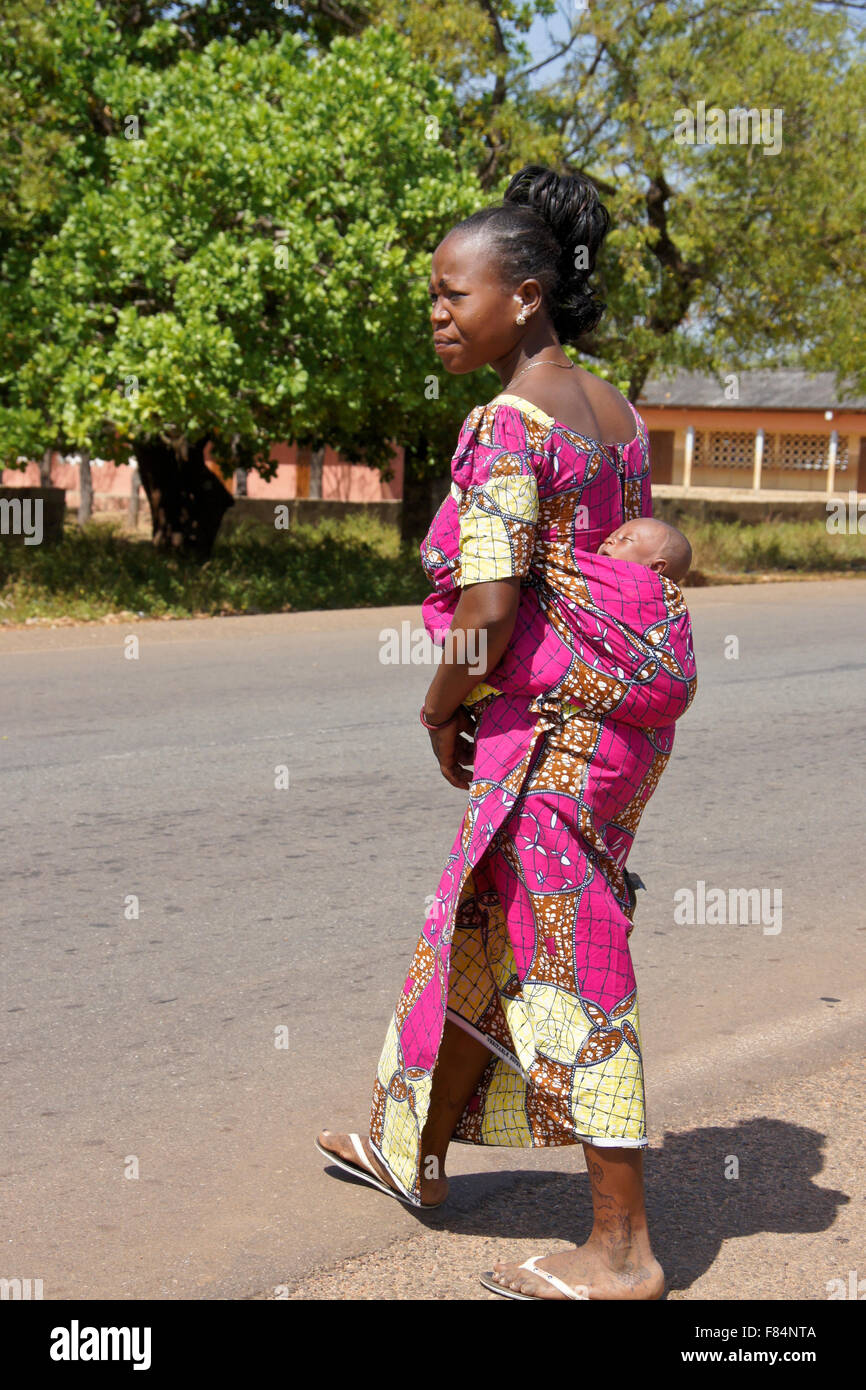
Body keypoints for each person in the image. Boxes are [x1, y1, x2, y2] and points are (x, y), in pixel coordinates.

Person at [316, 164, 698, 1301]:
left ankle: (620, 1248)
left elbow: (487, 611)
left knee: (569, 965)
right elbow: (638, 552)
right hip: (617, 732)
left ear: (524, 295)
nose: (436, 313)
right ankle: (413, 1148)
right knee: (481, 919)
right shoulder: (616, 412)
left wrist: (435, 709)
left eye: (452, 292)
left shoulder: (505, 422)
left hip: (549, 736)